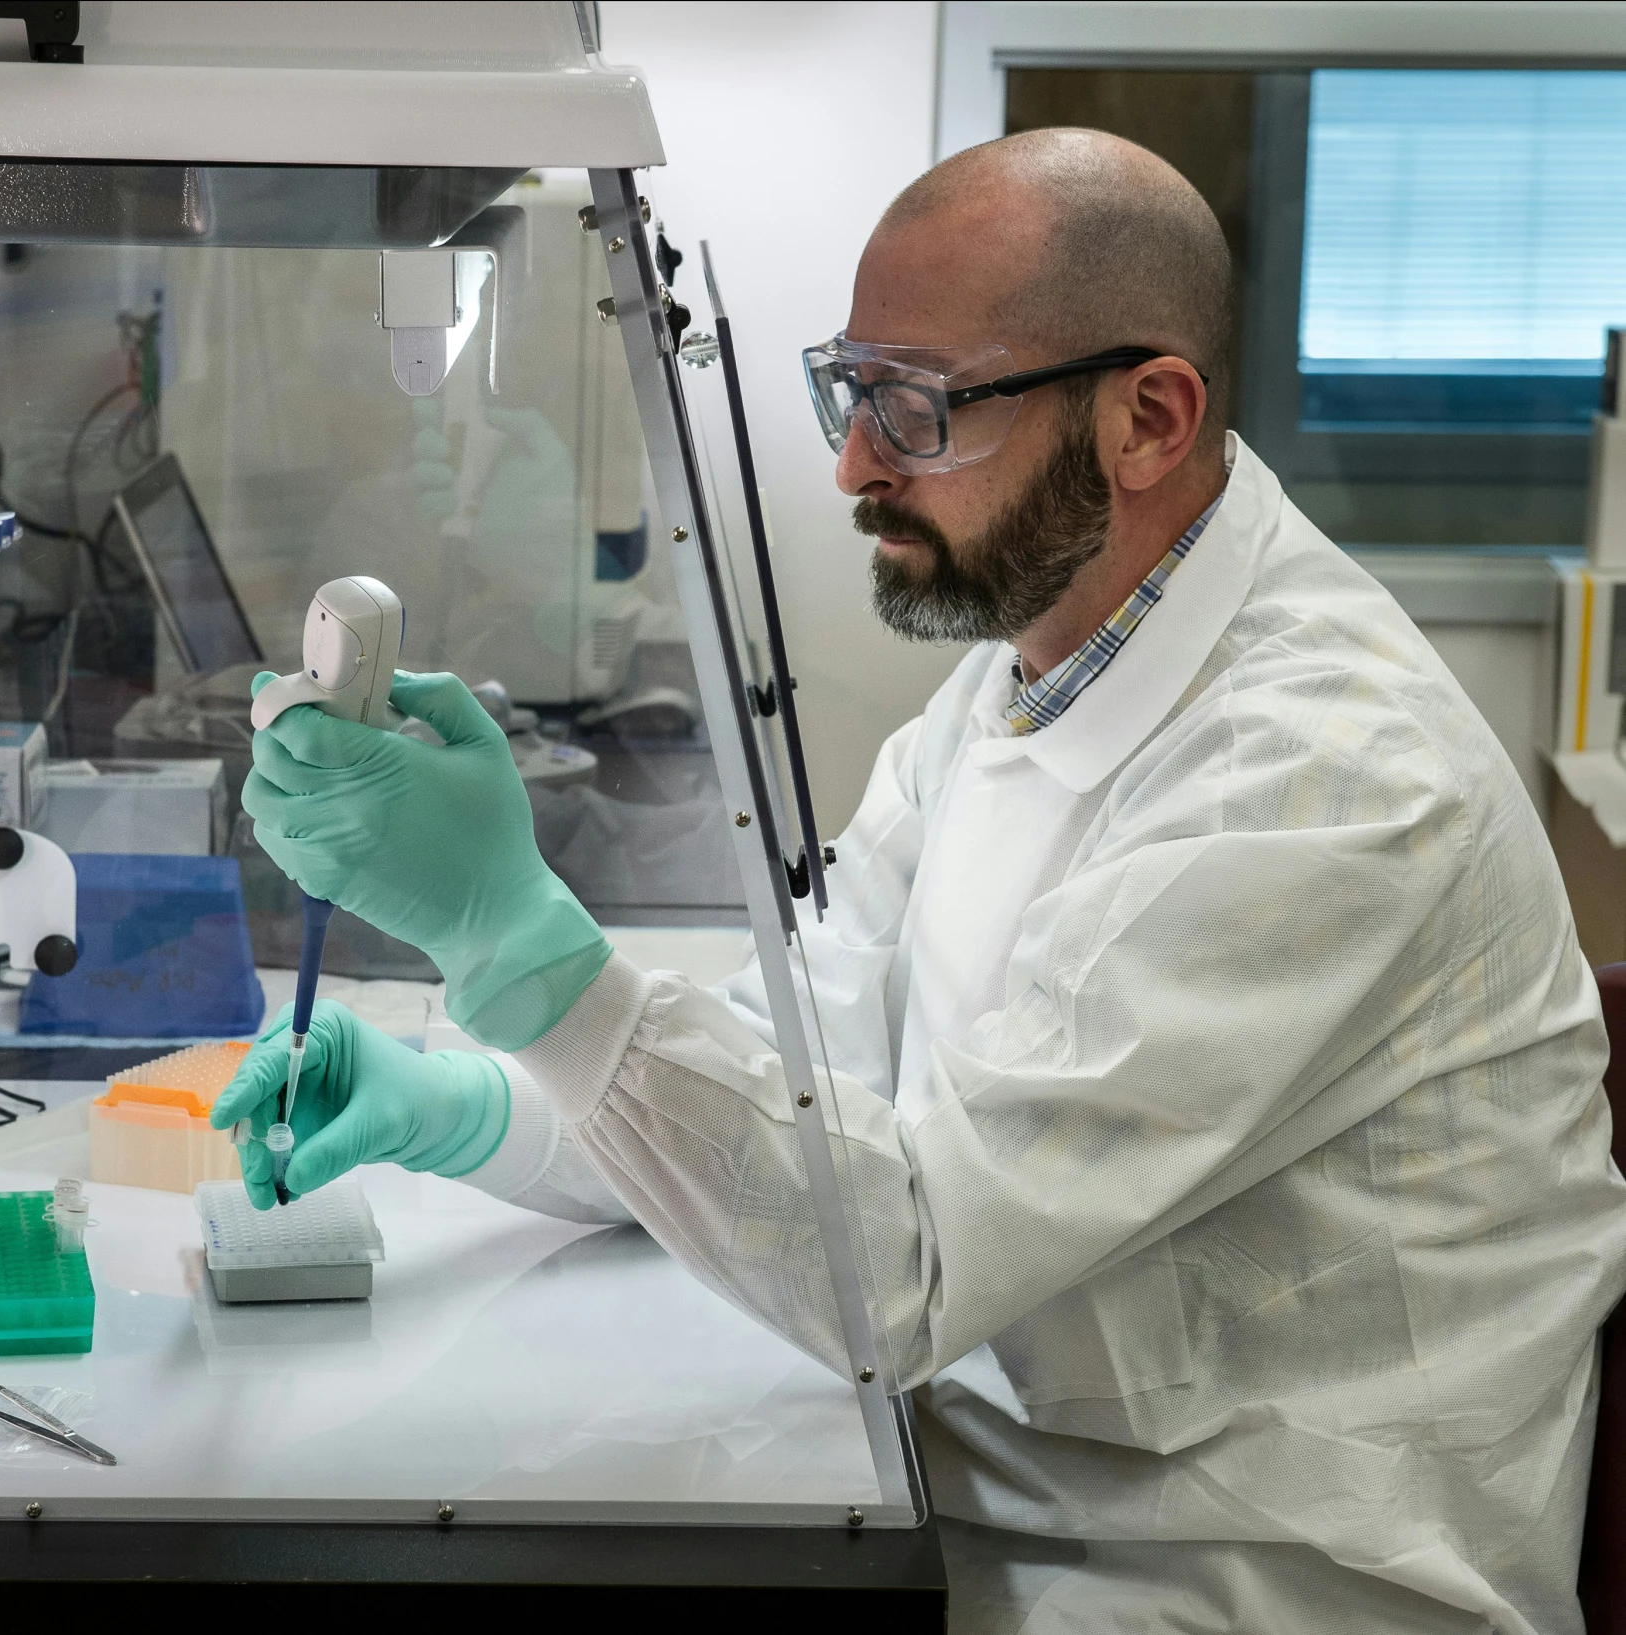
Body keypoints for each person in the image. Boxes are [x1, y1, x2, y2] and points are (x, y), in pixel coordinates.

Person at [212, 128, 1626, 1633]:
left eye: (918, 403)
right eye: (851, 384)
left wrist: (519, 939)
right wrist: (479, 1104)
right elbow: (802, 1080)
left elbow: (904, 1271)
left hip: (1255, 1578)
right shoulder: (1037, 667)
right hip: (1025, 1486)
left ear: (1148, 417)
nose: (851, 461)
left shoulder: (1328, 781)